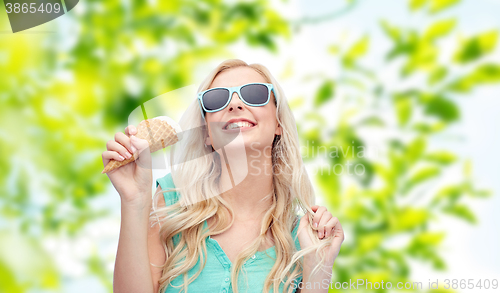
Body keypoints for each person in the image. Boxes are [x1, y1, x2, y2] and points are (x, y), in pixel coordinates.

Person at [102, 59, 344, 293]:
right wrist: (134, 200)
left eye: (255, 94)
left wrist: (318, 268)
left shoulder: (303, 236)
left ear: (278, 122)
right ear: (207, 132)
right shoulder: (170, 203)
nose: (235, 104)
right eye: (216, 99)